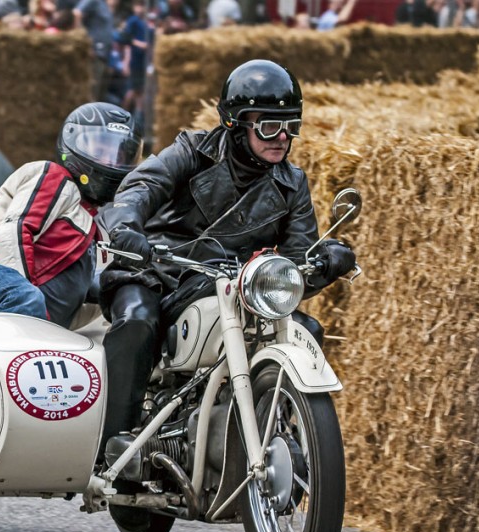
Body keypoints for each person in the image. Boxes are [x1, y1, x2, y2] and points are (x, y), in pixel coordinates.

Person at [96, 59, 356, 458]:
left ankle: (280, 428)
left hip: (236, 289)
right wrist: (127, 227)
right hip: (158, 272)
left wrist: (324, 262)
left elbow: (294, 261)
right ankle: (114, 444)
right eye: (269, 126)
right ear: (235, 124)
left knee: (305, 328)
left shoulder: (292, 184)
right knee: (137, 321)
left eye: (291, 126)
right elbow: (142, 186)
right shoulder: (192, 151)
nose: (282, 137)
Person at [0, 102, 143, 332]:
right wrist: (27, 295)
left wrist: (113, 290)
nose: (109, 160)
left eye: (118, 154)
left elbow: (62, 315)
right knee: (30, 305)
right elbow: (14, 230)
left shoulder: (89, 232)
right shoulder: (54, 178)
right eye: (101, 149)